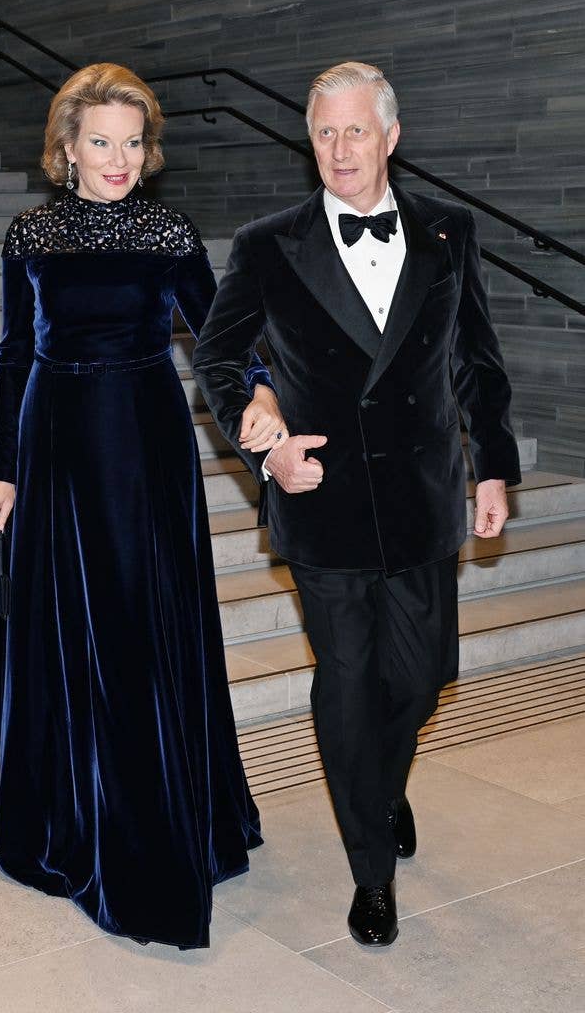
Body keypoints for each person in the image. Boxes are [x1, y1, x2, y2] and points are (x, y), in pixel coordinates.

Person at [0, 62, 287, 951]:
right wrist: (1, 467)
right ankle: (71, 811)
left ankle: (155, 815)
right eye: (102, 141)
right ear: (67, 148)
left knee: (137, 622)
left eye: (133, 142)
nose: (120, 158)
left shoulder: (167, 230)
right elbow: (16, 354)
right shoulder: (31, 235)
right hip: (55, 438)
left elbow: (217, 336)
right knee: (62, 628)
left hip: (144, 440)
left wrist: (260, 395)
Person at [192, 61, 521, 947]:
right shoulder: (268, 243)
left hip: (420, 499)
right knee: (344, 682)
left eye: (355, 131)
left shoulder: (448, 232)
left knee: (423, 676)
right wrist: (264, 447)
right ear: (311, 141)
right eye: (324, 132)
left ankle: (377, 782)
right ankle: (370, 872)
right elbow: (218, 360)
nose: (340, 149)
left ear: (390, 137)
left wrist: (490, 467)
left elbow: (474, 362)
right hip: (321, 498)